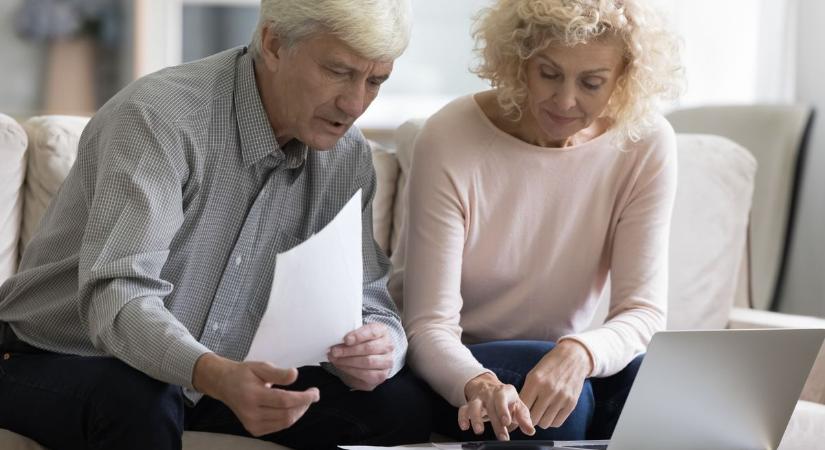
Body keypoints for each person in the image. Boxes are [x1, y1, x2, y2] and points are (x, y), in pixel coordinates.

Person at [0, 1, 432, 449]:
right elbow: (118, 294)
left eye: (375, 81)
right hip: (58, 357)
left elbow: (372, 302)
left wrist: (381, 349)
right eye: (338, 71)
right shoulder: (161, 118)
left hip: (218, 374)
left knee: (400, 407)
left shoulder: (347, 156)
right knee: (139, 399)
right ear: (274, 43)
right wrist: (214, 374)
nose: (355, 103)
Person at [391, 0, 684, 443]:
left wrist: (580, 351)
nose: (566, 101)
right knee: (561, 410)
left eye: (592, 82)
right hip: (461, 366)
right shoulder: (451, 135)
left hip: (564, 364)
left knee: (662, 394)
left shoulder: (645, 143)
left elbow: (641, 312)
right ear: (519, 61)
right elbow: (428, 327)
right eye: (548, 74)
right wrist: (479, 383)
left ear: (623, 79)